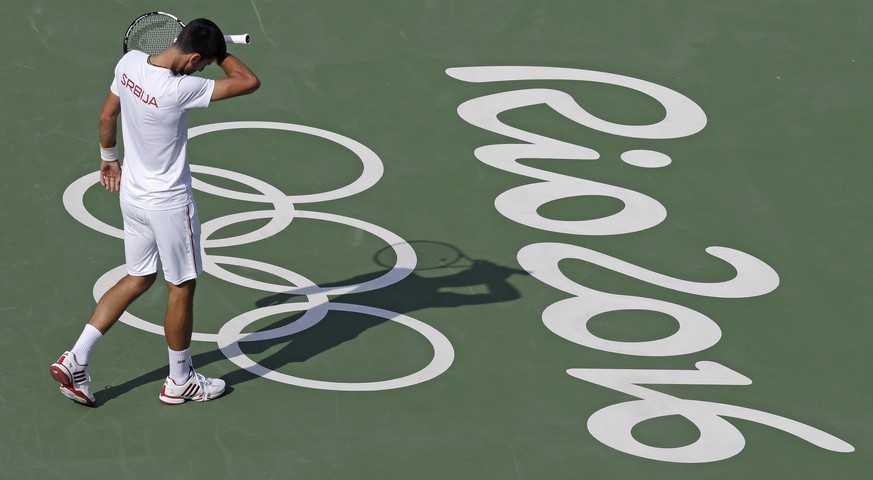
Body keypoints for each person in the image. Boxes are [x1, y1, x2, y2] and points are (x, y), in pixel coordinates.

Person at [49, 18, 260, 406]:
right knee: (181, 286)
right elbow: (248, 81)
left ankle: (75, 358)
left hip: (132, 196)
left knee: (137, 277)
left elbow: (106, 116)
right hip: (169, 205)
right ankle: (180, 380)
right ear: (196, 58)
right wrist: (222, 54)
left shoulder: (129, 65)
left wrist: (108, 158)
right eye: (201, 64)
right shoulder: (182, 89)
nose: (200, 70)